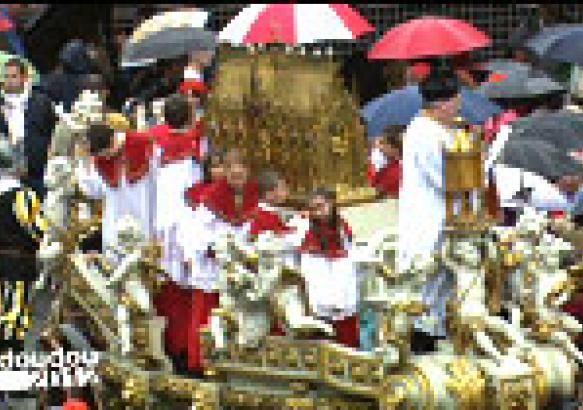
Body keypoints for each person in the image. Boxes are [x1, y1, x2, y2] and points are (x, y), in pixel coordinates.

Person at [173, 148, 259, 374]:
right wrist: (210, 249)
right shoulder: (211, 199)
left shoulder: (253, 195)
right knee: (208, 315)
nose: (237, 178)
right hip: (215, 266)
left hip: (242, 266)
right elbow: (194, 232)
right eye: (232, 173)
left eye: (242, 174)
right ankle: (203, 362)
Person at [398, 68, 461, 349]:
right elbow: (442, 178)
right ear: (444, 103)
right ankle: (423, 341)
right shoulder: (423, 132)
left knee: (444, 285)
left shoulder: (440, 129)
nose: (457, 108)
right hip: (429, 217)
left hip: (446, 215)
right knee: (427, 283)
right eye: (455, 102)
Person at [75, 122, 155, 252]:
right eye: (102, 156)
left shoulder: (143, 144)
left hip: (145, 214)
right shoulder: (99, 160)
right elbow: (93, 191)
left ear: (113, 140)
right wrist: (84, 163)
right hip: (115, 220)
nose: (106, 158)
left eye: (106, 153)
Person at [298, 188, 359, 348]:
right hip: (318, 275)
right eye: (313, 208)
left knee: (345, 322)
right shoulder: (304, 226)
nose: (318, 212)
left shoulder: (341, 226)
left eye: (321, 206)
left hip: (341, 276)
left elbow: (350, 251)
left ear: (331, 204)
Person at [0, 57, 56, 197]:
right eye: (6, 76)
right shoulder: (1, 104)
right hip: (9, 174)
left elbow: (53, 130)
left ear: (24, 77)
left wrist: (50, 156)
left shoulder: (41, 102)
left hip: (39, 170)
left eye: (13, 76)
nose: (9, 80)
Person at [369, 126, 403, 198]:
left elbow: (375, 188)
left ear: (394, 147)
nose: (379, 147)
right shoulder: (392, 164)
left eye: (383, 143)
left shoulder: (396, 170)